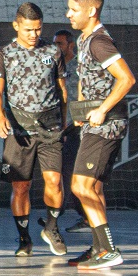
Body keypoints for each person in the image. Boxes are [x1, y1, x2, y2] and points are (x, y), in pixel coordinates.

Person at [64, 0, 136, 270]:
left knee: (80, 186)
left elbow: (127, 79)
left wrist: (102, 110)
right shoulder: (84, 39)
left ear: (92, 11)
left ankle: (108, 250)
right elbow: (86, 81)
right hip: (93, 124)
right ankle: (98, 248)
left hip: (107, 125)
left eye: (73, 9)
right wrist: (82, 110)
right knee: (93, 187)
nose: (68, 14)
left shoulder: (99, 42)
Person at [0, 2, 68, 257]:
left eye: (38, 29)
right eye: (28, 30)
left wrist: (64, 120)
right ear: (16, 26)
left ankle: (51, 228)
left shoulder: (53, 51)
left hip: (50, 127)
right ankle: (24, 239)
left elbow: (62, 89)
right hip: (19, 130)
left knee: (54, 181)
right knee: (21, 187)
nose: (34, 34)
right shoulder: (4, 54)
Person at [52, 28, 89, 234]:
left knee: (74, 174)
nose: (56, 47)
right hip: (56, 127)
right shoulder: (52, 64)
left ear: (70, 45)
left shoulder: (79, 65)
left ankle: (85, 217)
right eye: (54, 43)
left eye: (60, 44)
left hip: (76, 127)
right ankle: (56, 214)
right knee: (58, 173)